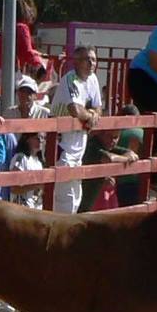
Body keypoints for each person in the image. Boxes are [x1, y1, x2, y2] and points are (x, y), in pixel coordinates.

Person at [50, 47, 103, 214]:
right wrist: (91, 116)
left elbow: (98, 107)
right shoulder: (70, 79)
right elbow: (75, 109)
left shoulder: (92, 79)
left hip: (79, 143)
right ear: (76, 62)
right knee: (64, 197)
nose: (91, 63)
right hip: (62, 144)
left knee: (76, 195)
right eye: (86, 59)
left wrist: (92, 115)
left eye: (93, 59)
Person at [0, 0, 46, 85]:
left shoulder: (8, 27)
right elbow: (27, 52)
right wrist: (40, 63)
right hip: (2, 72)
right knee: (31, 84)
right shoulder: (22, 27)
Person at [9, 133, 45, 209]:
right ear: (28, 139)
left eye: (43, 138)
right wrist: (36, 185)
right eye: (38, 138)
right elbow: (13, 188)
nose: (41, 141)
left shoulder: (39, 162)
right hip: (22, 208)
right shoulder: (21, 158)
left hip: (37, 207)